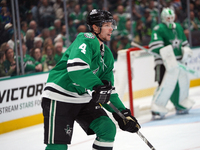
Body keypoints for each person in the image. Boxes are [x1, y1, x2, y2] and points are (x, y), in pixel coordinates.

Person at [41, 9, 140, 150]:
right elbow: (76, 69)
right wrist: (97, 86)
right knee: (58, 145)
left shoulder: (107, 56)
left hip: (81, 97)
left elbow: (108, 91)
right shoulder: (86, 38)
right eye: (106, 25)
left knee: (107, 128)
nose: (111, 28)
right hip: (59, 95)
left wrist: (122, 113)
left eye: (111, 24)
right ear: (95, 27)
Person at [148, 8, 194, 119]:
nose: (170, 19)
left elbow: (184, 43)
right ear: (163, 18)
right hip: (163, 63)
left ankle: (180, 104)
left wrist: (185, 52)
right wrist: (167, 56)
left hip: (178, 62)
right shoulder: (158, 28)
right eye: (167, 18)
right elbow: (155, 46)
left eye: (171, 17)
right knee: (164, 85)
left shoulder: (178, 27)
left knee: (181, 85)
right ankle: (157, 108)